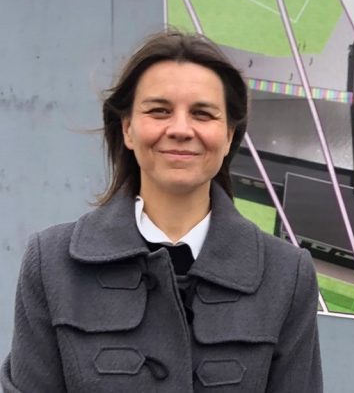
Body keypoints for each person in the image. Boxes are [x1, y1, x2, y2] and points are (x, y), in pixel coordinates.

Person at [1, 31, 323, 392]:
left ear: (229, 135)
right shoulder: (52, 264)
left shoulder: (286, 275)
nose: (181, 130)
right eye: (159, 111)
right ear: (127, 128)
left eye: (202, 113)